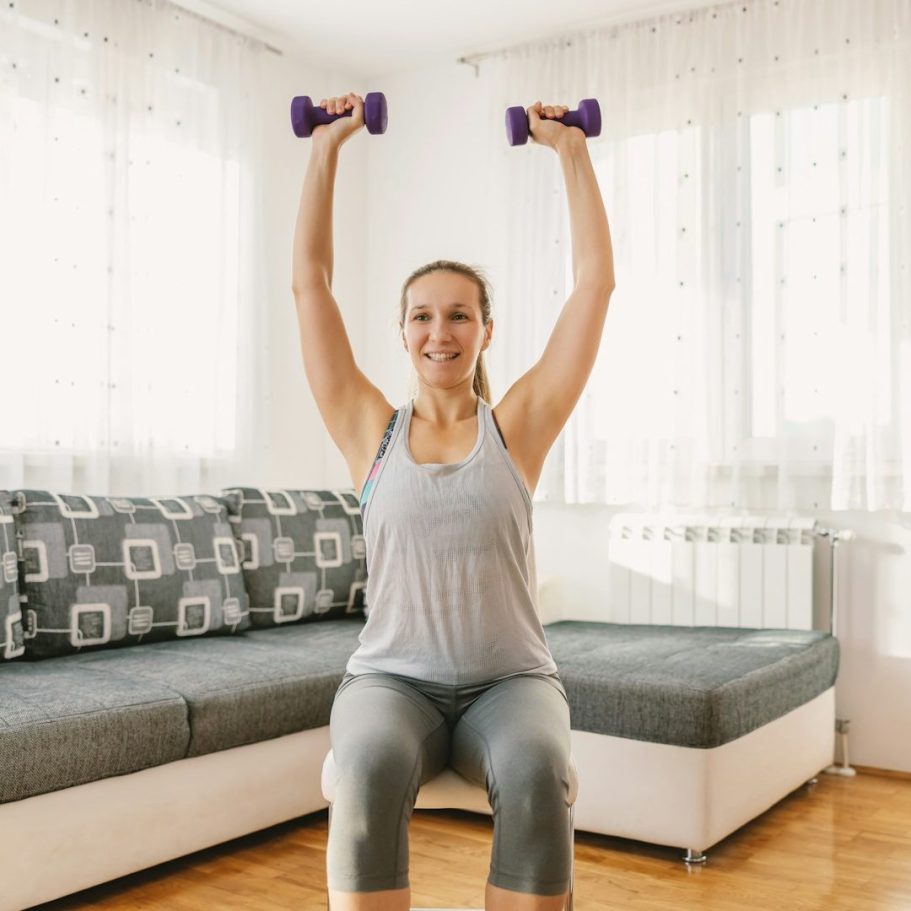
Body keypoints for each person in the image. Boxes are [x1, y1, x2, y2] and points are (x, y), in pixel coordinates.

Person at [291, 91, 614, 911]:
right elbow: (310, 287)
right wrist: (326, 149)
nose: (442, 332)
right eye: (424, 316)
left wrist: (569, 152)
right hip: (391, 682)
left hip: (510, 682)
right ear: (402, 331)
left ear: (485, 331)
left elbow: (593, 288)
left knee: (540, 772)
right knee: (361, 769)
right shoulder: (368, 428)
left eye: (460, 315)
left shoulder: (518, 430)